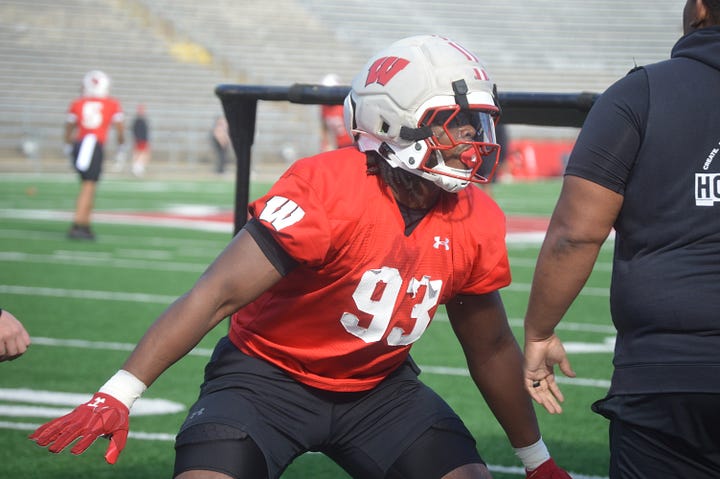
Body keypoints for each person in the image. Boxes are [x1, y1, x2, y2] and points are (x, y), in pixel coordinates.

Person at [31, 35, 570, 479]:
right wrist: (119, 392)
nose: (473, 140)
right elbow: (216, 293)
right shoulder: (328, 188)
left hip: (378, 386)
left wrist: (536, 461)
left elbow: (492, 345)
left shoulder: (474, 214)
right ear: (390, 122)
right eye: (455, 122)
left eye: (477, 123)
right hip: (265, 377)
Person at [522, 2, 720, 478]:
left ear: (697, 8)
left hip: (666, 376)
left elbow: (576, 234)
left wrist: (539, 332)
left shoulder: (641, 93)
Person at [64, 70, 125, 240]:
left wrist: (67, 145)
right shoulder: (111, 104)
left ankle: (85, 223)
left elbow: (69, 127)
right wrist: (121, 147)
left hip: (81, 143)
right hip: (92, 144)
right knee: (88, 186)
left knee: (90, 185)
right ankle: (78, 224)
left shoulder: (78, 103)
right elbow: (119, 128)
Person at [320, 73, 354, 151]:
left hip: (352, 145)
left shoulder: (345, 105)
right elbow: (324, 126)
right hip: (339, 145)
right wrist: (325, 143)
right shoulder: (324, 107)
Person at [130, 104, 151, 177]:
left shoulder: (142, 119)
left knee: (143, 154)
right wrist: (138, 138)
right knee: (140, 154)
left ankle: (139, 167)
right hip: (140, 140)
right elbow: (135, 131)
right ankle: (137, 168)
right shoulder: (138, 120)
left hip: (143, 140)